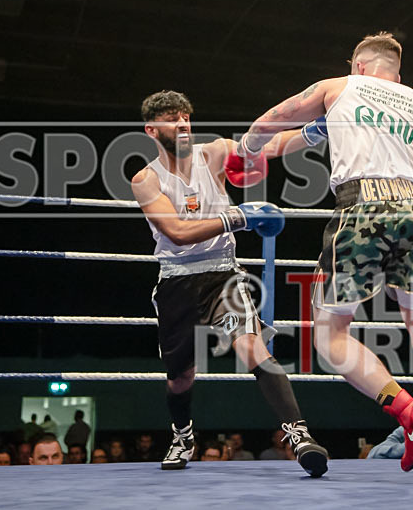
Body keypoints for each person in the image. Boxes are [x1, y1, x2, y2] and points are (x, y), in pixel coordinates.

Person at [238, 32, 413, 481]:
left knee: (329, 335)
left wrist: (247, 146)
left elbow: (273, 119)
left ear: (358, 66)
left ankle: (409, 413)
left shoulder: (338, 86)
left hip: (363, 206)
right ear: (396, 73)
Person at [131, 90, 327, 476]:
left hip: (223, 273)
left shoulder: (214, 153)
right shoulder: (146, 180)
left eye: (186, 116)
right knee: (180, 377)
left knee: (252, 347)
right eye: (172, 118)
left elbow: (264, 148)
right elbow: (175, 232)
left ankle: (299, 433)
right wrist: (237, 217)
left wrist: (313, 133)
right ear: (152, 129)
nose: (183, 123)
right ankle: (183, 435)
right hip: (176, 281)